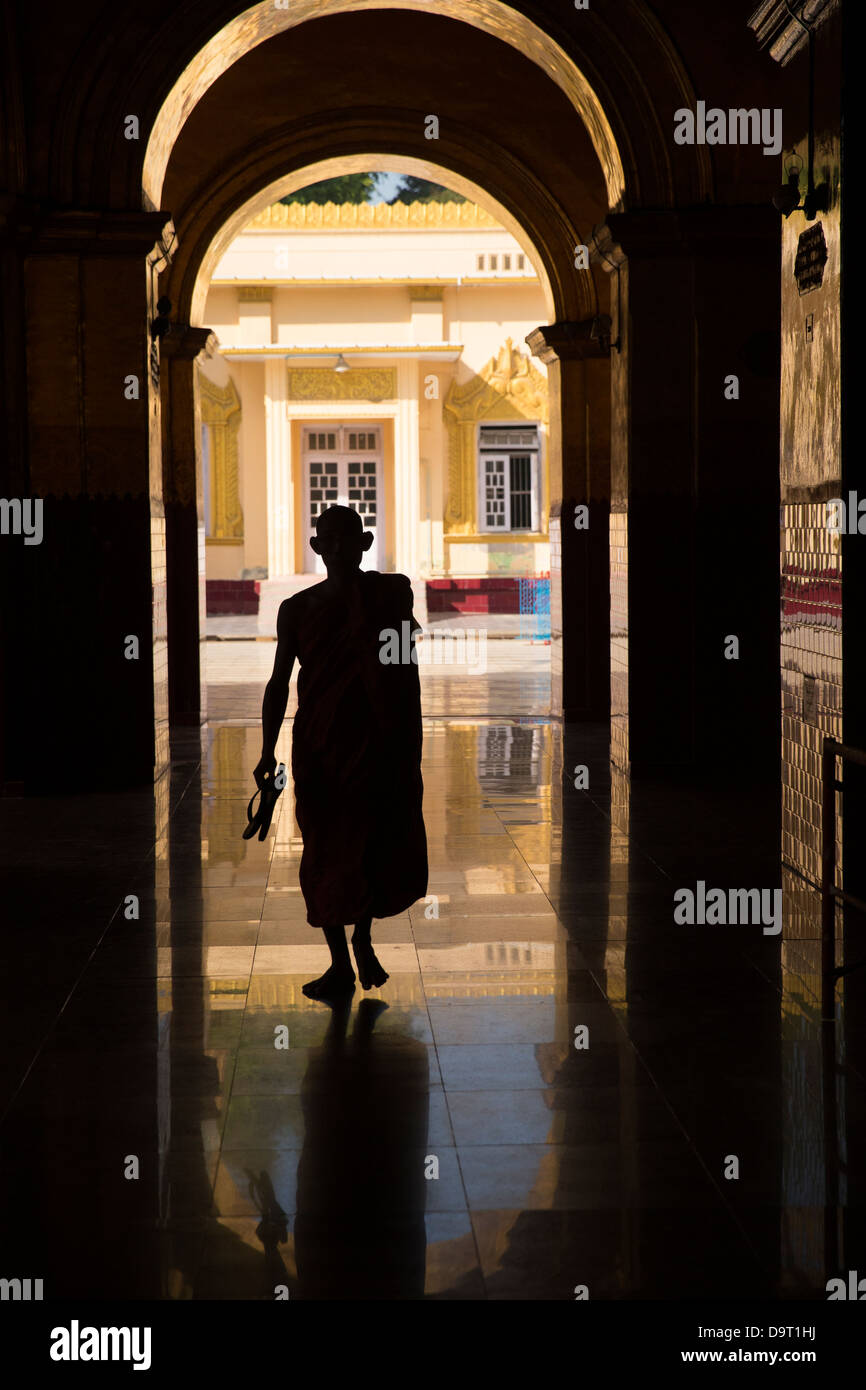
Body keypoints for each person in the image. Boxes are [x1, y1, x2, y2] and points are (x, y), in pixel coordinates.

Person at [253, 505, 428, 1000]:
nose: (337, 550)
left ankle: (364, 938)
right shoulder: (298, 609)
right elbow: (278, 682)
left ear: (364, 544)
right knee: (324, 849)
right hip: (320, 746)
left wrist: (403, 741)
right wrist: (267, 749)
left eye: (347, 540)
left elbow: (404, 671)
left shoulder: (390, 595)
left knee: (368, 844)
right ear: (316, 547)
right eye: (328, 540)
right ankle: (337, 963)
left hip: (373, 744)